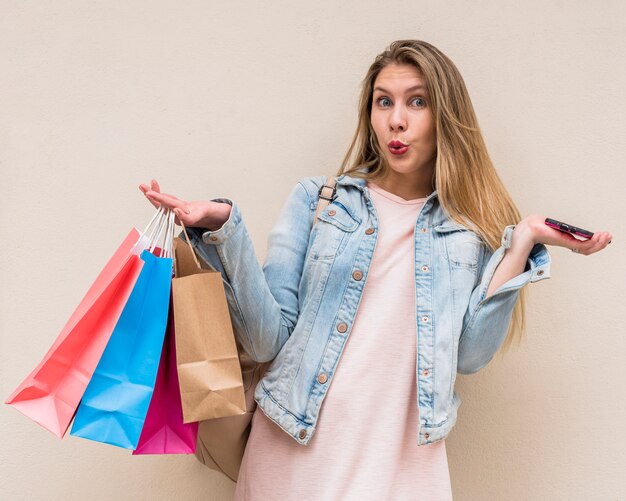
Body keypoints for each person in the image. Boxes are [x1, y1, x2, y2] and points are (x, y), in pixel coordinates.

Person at [139, 40, 612, 500]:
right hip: (295, 455)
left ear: (445, 115)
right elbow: (267, 340)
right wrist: (226, 226)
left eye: (417, 102)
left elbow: (468, 357)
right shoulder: (318, 201)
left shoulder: (464, 233)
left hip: (405, 465)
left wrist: (522, 241)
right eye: (383, 102)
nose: (396, 121)